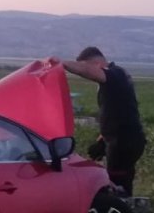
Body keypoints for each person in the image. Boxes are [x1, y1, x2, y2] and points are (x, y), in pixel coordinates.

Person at [54, 47, 146, 196]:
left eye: (88, 66)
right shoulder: (116, 77)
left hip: (123, 141)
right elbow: (116, 112)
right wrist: (102, 140)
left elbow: (89, 72)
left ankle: (120, 212)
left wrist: (60, 64)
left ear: (97, 63)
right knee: (121, 177)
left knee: (116, 180)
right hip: (121, 138)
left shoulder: (115, 74)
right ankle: (126, 208)